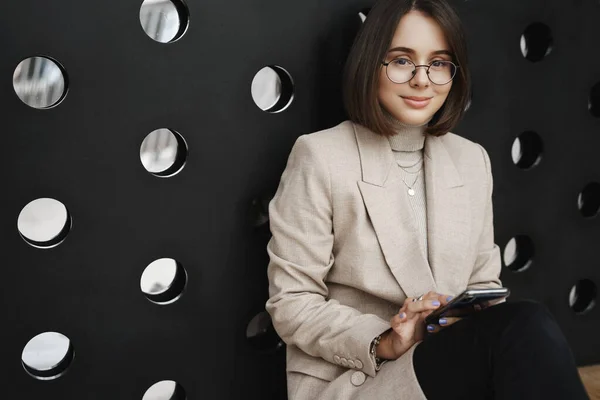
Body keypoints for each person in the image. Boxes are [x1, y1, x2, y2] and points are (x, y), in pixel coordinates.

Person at [264, 0, 590, 399]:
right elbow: (293, 304)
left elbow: (483, 282)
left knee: (520, 327)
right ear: (371, 64)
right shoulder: (320, 156)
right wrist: (387, 338)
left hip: (452, 366)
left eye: (438, 63)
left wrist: (465, 314)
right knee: (527, 323)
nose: (423, 80)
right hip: (364, 380)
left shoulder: (471, 159)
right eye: (402, 61)